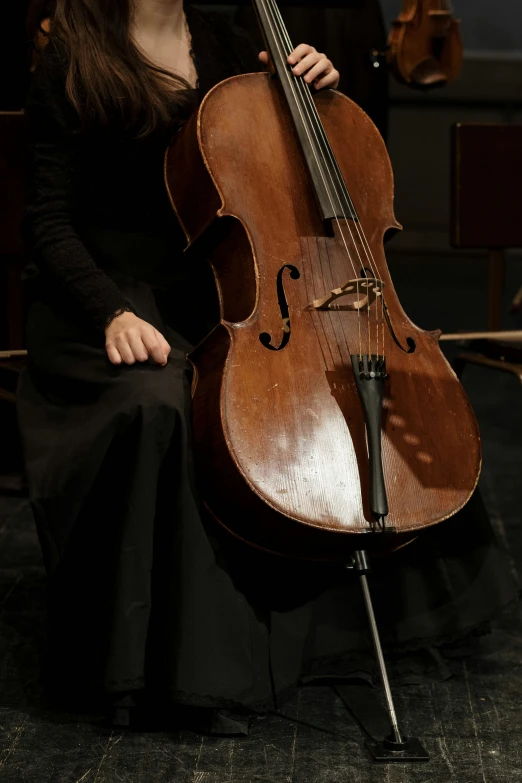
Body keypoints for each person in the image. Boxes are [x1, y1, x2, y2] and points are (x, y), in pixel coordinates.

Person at [18, 0, 517, 735]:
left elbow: (272, 161)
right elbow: (47, 222)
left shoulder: (230, 34)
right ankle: (161, 669)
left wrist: (315, 88)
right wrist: (110, 313)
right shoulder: (73, 57)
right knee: (160, 405)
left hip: (219, 289)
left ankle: (317, 628)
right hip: (110, 300)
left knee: (326, 390)